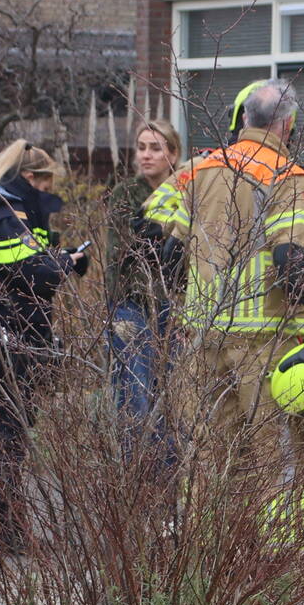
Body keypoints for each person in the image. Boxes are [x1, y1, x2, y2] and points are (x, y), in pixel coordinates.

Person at [142, 80, 304, 531]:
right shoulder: (287, 176)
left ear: (245, 118)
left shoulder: (200, 170)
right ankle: (281, 546)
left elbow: (164, 242)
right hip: (263, 338)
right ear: (287, 125)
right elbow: (291, 258)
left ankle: (204, 544)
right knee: (274, 450)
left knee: (207, 450)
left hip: (203, 335)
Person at [0, 140, 88, 528]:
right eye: (46, 182)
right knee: (4, 431)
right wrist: (67, 263)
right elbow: (33, 275)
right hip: (3, 336)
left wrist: (57, 255)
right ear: (30, 176)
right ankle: (1, 524)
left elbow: (11, 265)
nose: (49, 190)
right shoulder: (7, 213)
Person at [104, 119, 181, 419]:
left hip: (176, 303)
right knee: (134, 392)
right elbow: (121, 251)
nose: (146, 155)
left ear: (173, 154)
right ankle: (132, 452)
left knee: (171, 395)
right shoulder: (126, 193)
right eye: (141, 148)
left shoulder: (186, 191)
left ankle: (167, 453)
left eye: (155, 148)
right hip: (131, 301)